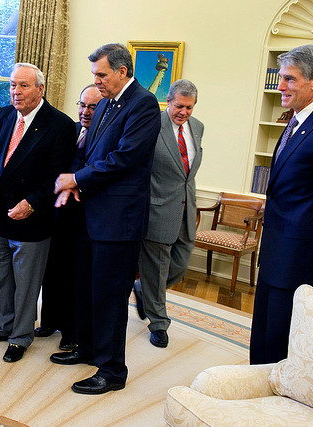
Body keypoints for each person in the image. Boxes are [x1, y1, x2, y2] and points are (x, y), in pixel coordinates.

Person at [51, 43, 160, 395]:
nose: (96, 81)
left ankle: (112, 370)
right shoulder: (105, 104)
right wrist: (72, 180)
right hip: (90, 215)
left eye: (102, 74)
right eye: (94, 74)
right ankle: (88, 349)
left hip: (118, 221)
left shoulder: (143, 104)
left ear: (123, 72)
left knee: (110, 298)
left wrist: (78, 180)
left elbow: (125, 157)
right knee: (86, 288)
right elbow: (86, 152)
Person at [0, 63, 75, 363]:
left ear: (40, 89)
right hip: (2, 212)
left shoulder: (60, 125)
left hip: (33, 216)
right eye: (12, 85)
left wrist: (31, 203)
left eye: (23, 86)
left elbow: (58, 176)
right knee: (1, 275)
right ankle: (3, 326)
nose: (15, 92)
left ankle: (20, 337)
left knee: (26, 282)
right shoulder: (3, 115)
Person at [250, 44, 313, 365]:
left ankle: (275, 402)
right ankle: (256, 385)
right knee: (262, 329)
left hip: (300, 255)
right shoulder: (297, 121)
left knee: (281, 336)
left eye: (290, 79)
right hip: (276, 247)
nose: (281, 86)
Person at [134, 79, 204, 348]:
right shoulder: (154, 126)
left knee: (179, 265)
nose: (183, 112)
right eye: (179, 106)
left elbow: (187, 174)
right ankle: (159, 324)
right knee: (157, 267)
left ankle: (143, 288)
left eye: (189, 107)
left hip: (186, 209)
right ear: (169, 102)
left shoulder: (197, 128)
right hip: (157, 209)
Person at [35, 84, 102, 351]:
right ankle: (50, 321)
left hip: (85, 215)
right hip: (58, 212)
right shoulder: (70, 129)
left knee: (76, 276)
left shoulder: (103, 136)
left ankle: (71, 332)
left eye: (92, 107)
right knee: (53, 269)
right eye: (82, 105)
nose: (85, 111)